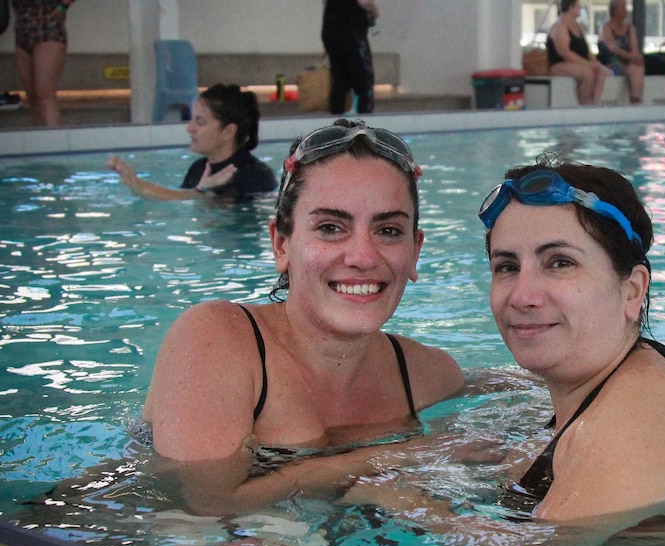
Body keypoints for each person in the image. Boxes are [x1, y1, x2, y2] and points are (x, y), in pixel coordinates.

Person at [140, 119, 464, 514]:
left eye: (389, 231)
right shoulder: (217, 338)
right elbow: (202, 503)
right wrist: (383, 463)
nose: (363, 257)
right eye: (330, 228)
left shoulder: (429, 376)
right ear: (281, 244)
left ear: (415, 251)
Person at [477, 160, 665, 523]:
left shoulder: (642, 417)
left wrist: (399, 496)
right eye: (507, 267)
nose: (523, 296)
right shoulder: (607, 388)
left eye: (560, 263)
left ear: (633, 290)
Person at [107, 84, 277, 203]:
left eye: (200, 122)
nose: (190, 128)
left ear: (228, 131)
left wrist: (140, 186)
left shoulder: (254, 176)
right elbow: (183, 206)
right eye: (192, 120)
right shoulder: (198, 168)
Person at [11, 0, 74, 126]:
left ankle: (54, 143)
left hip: (48, 29)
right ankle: (39, 142)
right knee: (33, 98)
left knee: (45, 96)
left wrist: (63, 7)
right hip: (22, 29)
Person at [546, 0, 609, 106]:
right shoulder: (560, 26)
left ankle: (595, 105)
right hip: (559, 64)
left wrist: (595, 62)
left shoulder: (577, 26)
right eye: (578, 6)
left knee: (601, 71)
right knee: (587, 73)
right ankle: (585, 105)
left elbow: (586, 50)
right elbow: (564, 53)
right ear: (570, 7)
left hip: (578, 63)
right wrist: (587, 64)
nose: (580, 8)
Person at [321, 0, 377, 115]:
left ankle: (336, 119)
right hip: (352, 30)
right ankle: (364, 117)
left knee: (340, 79)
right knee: (363, 78)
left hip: (331, 29)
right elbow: (364, 2)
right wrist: (373, 9)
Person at [597, 0, 645, 104]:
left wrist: (634, 57)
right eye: (623, 7)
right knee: (630, 64)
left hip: (629, 62)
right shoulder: (606, 27)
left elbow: (635, 48)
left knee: (638, 65)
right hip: (611, 61)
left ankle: (635, 98)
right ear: (615, 10)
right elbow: (612, 47)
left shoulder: (630, 28)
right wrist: (630, 56)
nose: (626, 10)